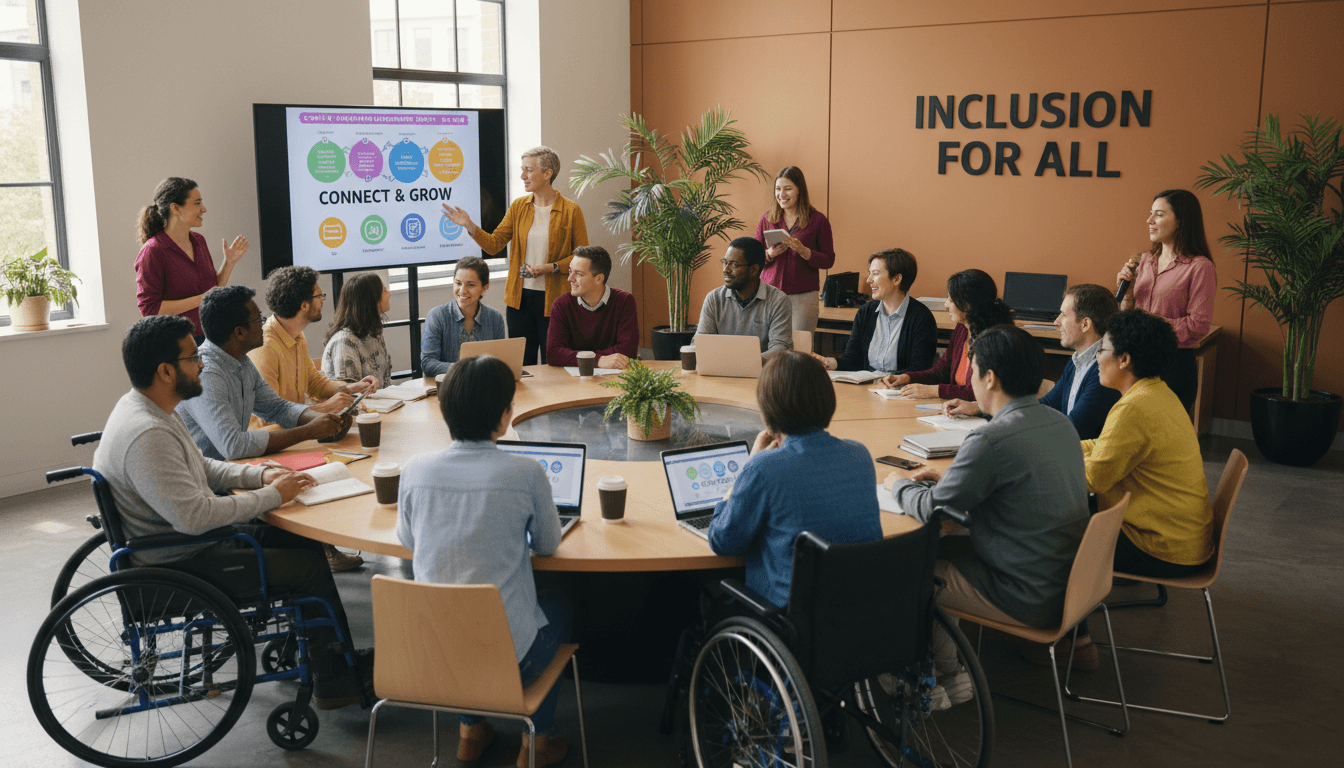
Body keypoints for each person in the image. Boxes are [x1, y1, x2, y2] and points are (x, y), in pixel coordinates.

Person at [95, 315, 372, 710]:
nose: (202, 364)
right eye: (193, 357)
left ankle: (331, 656)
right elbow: (195, 516)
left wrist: (258, 476)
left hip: (186, 545)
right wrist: (273, 496)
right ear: (165, 370)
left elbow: (204, 468)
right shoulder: (148, 433)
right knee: (307, 567)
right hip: (181, 562)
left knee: (299, 539)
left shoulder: (149, 408)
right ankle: (335, 682)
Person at [887, 324, 1089, 698]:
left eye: (973, 368)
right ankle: (952, 672)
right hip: (1071, 582)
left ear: (990, 377)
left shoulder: (991, 437)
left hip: (1024, 594)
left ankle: (932, 677)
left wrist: (898, 483)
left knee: (908, 571)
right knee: (948, 550)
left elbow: (932, 510)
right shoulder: (1061, 423)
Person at [396, 355, 572, 768]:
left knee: (456, 607)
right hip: (511, 661)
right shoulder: (525, 472)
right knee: (561, 605)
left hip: (432, 655)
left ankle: (470, 731)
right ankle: (536, 746)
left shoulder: (415, 469)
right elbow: (547, 545)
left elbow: (407, 540)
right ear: (505, 416)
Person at [175, 285, 359, 572]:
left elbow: (277, 407)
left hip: (238, 471)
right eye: (257, 320)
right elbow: (232, 446)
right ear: (238, 332)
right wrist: (308, 431)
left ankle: (323, 553)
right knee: (301, 496)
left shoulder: (240, 361)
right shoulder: (209, 374)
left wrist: (319, 421)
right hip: (218, 488)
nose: (263, 325)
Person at [708, 351, 883, 609]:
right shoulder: (859, 454)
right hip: (860, 611)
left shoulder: (764, 467)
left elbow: (722, 540)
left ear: (768, 411)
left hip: (790, 620)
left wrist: (745, 469)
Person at [442, 146, 589, 366]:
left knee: (555, 360)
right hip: (520, 298)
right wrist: (470, 226)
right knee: (522, 362)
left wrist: (550, 267)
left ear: (547, 173)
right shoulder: (519, 206)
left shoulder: (571, 210)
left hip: (556, 298)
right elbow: (493, 245)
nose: (522, 176)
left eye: (528, 170)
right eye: (522, 170)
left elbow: (582, 258)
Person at [944, 284, 1121, 440]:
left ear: (1085, 324)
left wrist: (1003, 428)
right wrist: (980, 408)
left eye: (1063, 315)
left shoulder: (1103, 370)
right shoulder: (1078, 360)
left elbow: (1072, 429)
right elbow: (1046, 405)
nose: (1056, 322)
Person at [1116, 188, 1216, 412]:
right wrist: (1129, 291)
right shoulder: (1144, 261)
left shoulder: (1200, 267)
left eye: (1159, 215)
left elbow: (1198, 326)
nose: (1150, 220)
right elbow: (1129, 314)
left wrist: (1150, 325)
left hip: (1174, 364)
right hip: (1138, 360)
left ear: (1181, 221)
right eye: (1151, 213)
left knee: (1161, 440)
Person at [250, 266, 379, 420]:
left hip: (294, 432)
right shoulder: (265, 348)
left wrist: (350, 388)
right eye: (319, 296)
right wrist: (324, 408)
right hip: (275, 437)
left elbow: (314, 383)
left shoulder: (297, 335)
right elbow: (268, 416)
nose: (322, 300)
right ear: (304, 305)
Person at [135, 177, 250, 340]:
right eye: (197, 203)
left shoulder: (199, 241)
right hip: (176, 344)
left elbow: (212, 290)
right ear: (175, 208)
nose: (204, 209)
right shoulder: (153, 251)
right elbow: (150, 309)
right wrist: (201, 299)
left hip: (209, 335)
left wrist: (229, 263)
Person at [883, 268, 1013, 399]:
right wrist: (907, 377)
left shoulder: (993, 339)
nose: (946, 305)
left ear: (968, 304)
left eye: (950, 300)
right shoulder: (962, 328)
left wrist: (935, 391)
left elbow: (980, 392)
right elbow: (942, 371)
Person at [813, 248, 937, 375]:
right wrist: (829, 362)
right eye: (869, 273)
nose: (869, 280)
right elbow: (853, 359)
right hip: (868, 387)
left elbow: (919, 371)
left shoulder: (922, 317)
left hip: (900, 391)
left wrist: (891, 381)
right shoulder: (866, 311)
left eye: (876, 274)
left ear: (896, 279)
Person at [755, 167, 836, 339]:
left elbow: (829, 260)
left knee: (799, 350)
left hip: (803, 297)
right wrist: (769, 253)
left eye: (788, 188)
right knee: (768, 346)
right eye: (778, 189)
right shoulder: (767, 218)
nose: (781, 194)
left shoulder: (818, 220)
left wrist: (805, 252)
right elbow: (754, 256)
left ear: (800, 190)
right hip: (770, 295)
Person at [695, 237, 793, 359]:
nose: (726, 270)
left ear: (753, 270)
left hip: (762, 375)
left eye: (734, 265)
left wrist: (745, 363)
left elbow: (780, 349)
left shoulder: (778, 301)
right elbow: (701, 342)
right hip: (719, 373)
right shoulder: (714, 299)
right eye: (725, 262)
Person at [546, 245, 639, 369]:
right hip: (571, 380)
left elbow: (627, 352)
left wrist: (576, 356)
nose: (569, 279)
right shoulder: (561, 304)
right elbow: (554, 353)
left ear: (599, 278)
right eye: (570, 271)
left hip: (613, 379)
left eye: (578, 274)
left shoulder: (624, 301)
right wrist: (598, 360)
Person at [421, 256, 506, 376]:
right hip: (449, 387)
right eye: (458, 283)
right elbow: (428, 364)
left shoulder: (495, 318)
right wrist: (468, 368)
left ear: (484, 288)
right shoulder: (437, 316)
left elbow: (499, 362)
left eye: (470, 285)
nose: (462, 290)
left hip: (484, 387)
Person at [321, 272, 393, 389]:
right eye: (384, 291)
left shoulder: (374, 333)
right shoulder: (344, 342)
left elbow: (385, 383)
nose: (389, 294)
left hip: (378, 404)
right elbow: (349, 396)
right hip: (359, 406)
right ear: (372, 300)